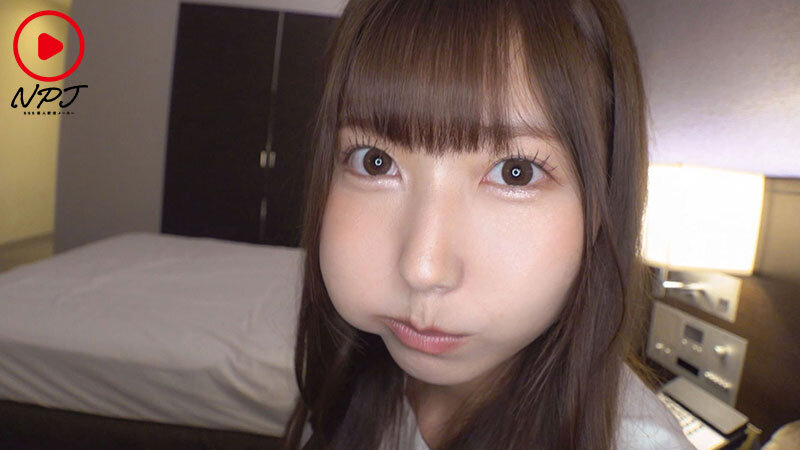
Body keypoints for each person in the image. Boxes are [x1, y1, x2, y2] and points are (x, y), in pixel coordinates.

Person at [281, 0, 694, 448]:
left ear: (601, 203)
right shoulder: (355, 368)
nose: (423, 269)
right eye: (374, 162)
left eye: (516, 172)